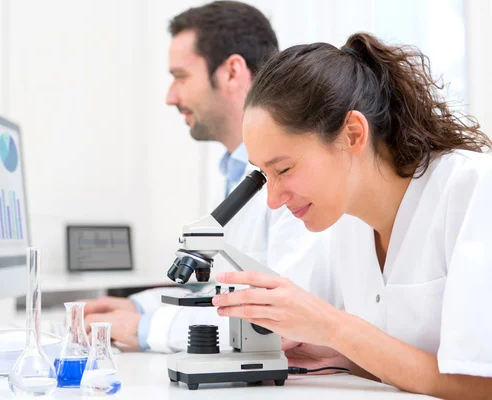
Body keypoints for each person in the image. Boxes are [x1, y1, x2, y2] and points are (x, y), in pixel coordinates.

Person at [210, 32, 492, 398]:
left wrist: (331, 327)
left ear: (353, 134)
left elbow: (481, 383)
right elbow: (404, 357)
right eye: (265, 175)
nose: (274, 200)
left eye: (284, 169)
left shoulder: (473, 189)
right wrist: (339, 356)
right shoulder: (347, 224)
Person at [82, 1, 321, 353]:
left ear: (231, 72)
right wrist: (139, 306)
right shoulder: (233, 171)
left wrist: (146, 328)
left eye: (180, 77)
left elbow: (283, 316)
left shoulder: (297, 180)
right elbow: (223, 289)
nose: (170, 97)